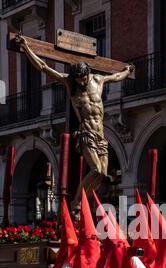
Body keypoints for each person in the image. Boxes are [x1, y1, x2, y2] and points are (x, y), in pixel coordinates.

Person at [15, 33, 133, 206]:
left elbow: (115, 77)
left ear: (88, 74)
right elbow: (43, 67)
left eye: (83, 79)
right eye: (78, 80)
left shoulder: (98, 80)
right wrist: (26, 48)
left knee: (102, 174)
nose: (81, 83)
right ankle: (76, 203)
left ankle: (82, 202)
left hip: (101, 135)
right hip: (87, 134)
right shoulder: (71, 84)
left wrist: (127, 71)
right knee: (96, 169)